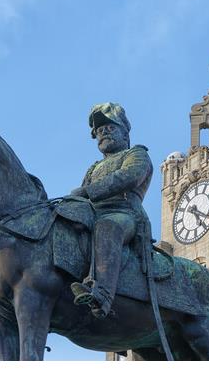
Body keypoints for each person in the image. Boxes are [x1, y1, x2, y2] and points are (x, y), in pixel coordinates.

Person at [70, 102, 153, 318]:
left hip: (124, 214)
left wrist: (88, 191)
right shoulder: (93, 168)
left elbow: (129, 177)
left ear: (125, 132)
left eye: (109, 128)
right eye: (99, 131)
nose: (103, 133)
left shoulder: (136, 154)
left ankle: (103, 295)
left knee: (107, 227)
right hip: (92, 212)